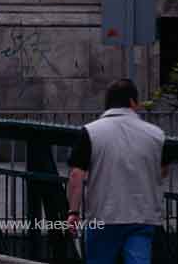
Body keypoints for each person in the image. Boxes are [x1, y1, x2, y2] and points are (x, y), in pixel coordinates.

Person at [66, 78, 167, 264]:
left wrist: (74, 212)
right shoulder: (157, 134)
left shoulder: (90, 132)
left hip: (103, 215)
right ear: (132, 102)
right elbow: (161, 171)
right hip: (143, 215)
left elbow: (76, 175)